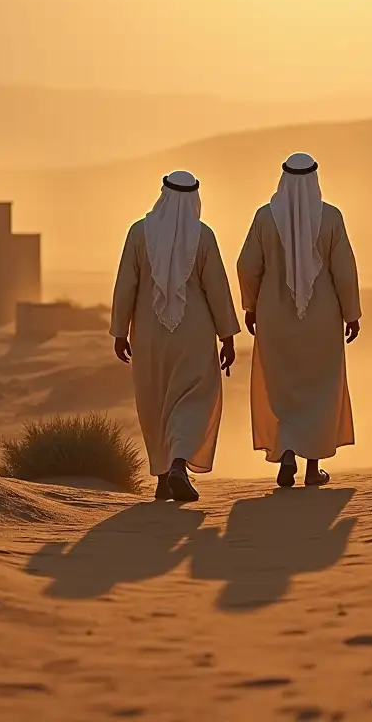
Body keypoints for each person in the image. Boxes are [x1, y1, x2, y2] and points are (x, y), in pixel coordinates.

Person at [109, 170, 240, 501]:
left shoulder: (138, 233)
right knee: (194, 398)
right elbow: (217, 289)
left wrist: (120, 331)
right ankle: (179, 464)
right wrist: (227, 336)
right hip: (194, 334)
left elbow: (125, 286)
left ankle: (164, 476)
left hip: (149, 335)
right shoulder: (203, 235)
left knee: (156, 402)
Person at [237, 153, 361, 488]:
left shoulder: (265, 217)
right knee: (319, 392)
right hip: (322, 320)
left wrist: (251, 305)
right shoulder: (331, 217)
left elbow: (247, 266)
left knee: (283, 390)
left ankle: (287, 452)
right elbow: (344, 271)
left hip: (275, 320)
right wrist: (351, 313)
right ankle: (311, 467)